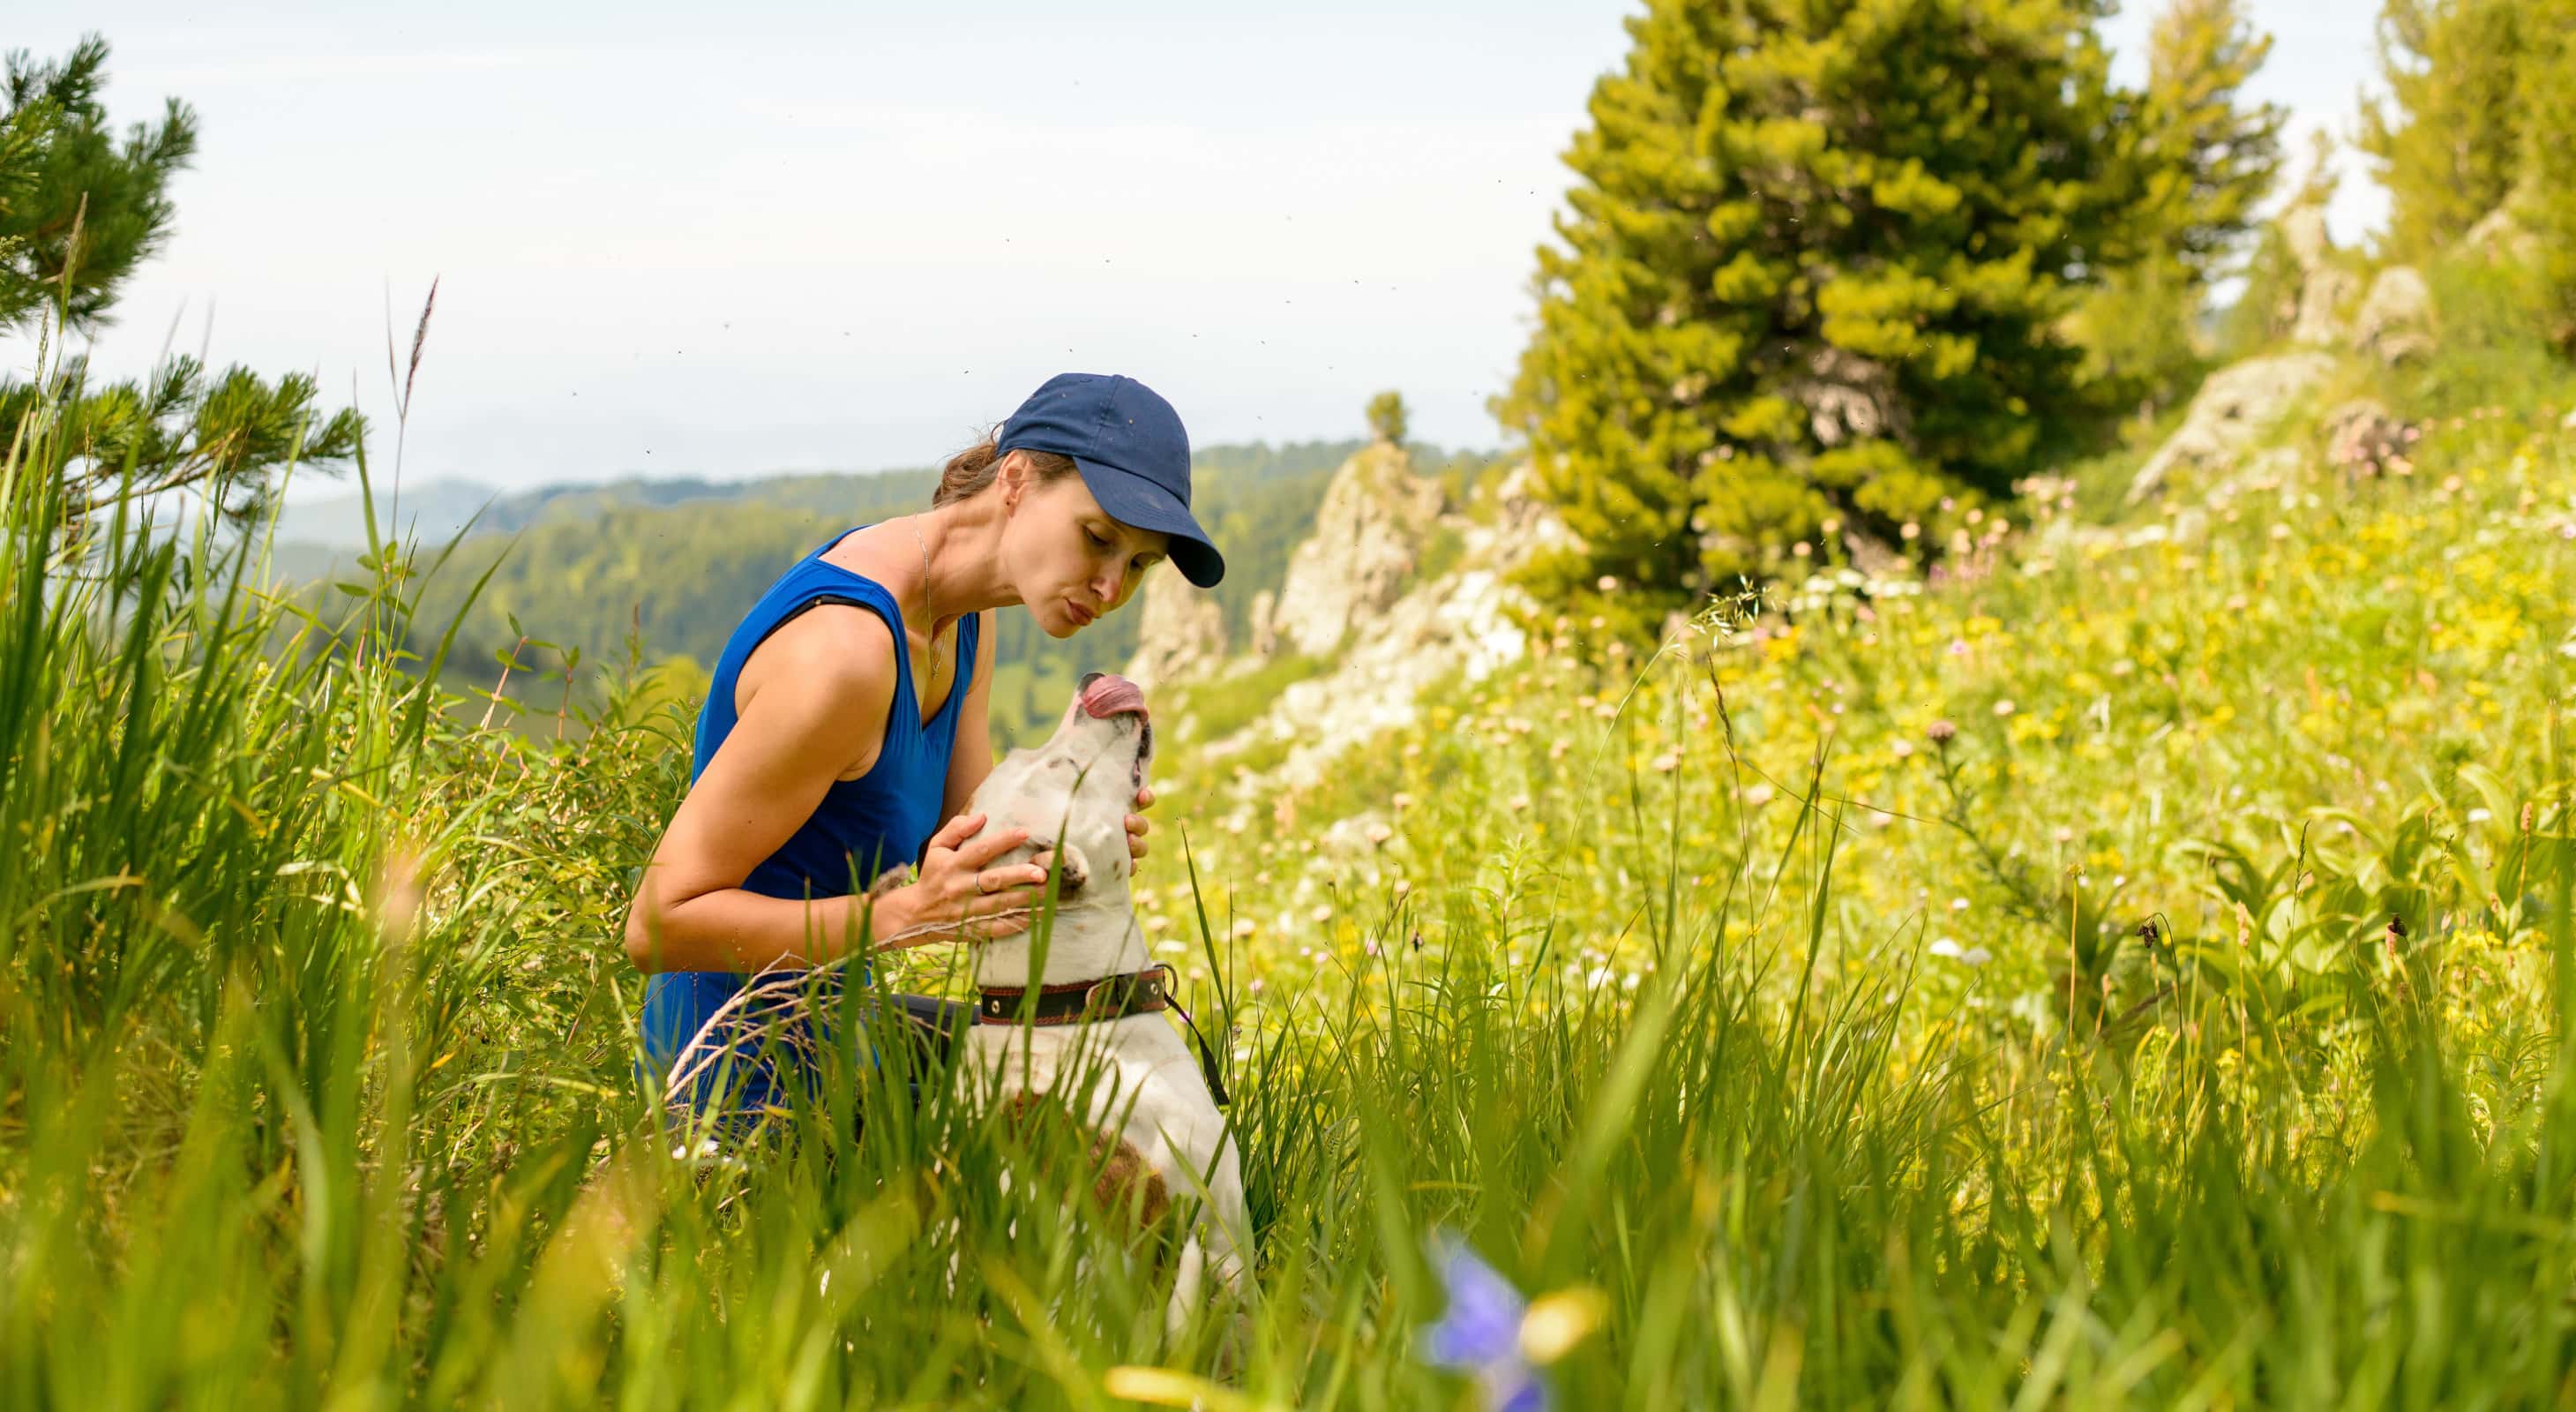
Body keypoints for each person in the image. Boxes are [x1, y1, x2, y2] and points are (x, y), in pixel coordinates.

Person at [623, 372, 1225, 1116]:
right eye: (1097, 539)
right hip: (732, 1080)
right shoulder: (846, 659)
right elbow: (655, 926)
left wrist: (1072, 838)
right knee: (1067, 1127)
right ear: (1015, 480)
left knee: (1111, 1081)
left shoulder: (966, 614)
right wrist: (906, 916)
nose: (1110, 587)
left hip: (835, 1026)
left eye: (1137, 564)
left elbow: (965, 844)